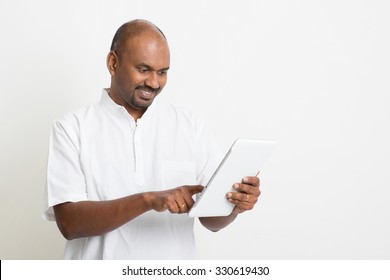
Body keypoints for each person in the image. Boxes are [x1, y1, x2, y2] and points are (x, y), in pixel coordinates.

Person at [43, 19, 261, 259]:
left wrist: (235, 205)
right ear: (113, 63)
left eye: (162, 72)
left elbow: (212, 221)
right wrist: (148, 199)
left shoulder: (190, 127)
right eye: (144, 69)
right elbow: (70, 224)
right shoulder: (72, 128)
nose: (154, 83)